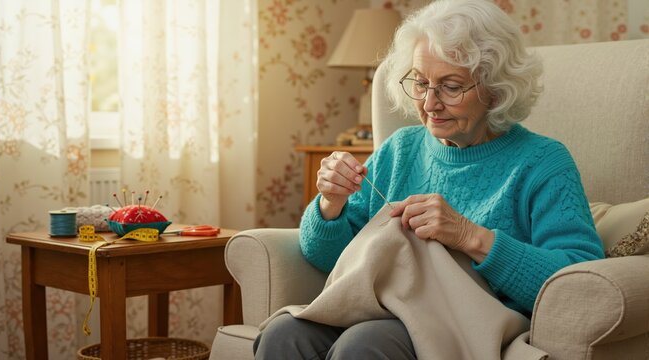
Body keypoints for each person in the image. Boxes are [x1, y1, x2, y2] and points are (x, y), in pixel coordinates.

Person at [254, 0, 605, 358]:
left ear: (496, 89)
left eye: (451, 87)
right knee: (284, 333)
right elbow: (325, 257)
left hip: (471, 323)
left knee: (365, 343)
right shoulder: (401, 149)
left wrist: (470, 236)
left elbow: (580, 284)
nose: (430, 103)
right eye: (421, 83)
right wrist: (332, 202)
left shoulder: (543, 162)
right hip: (381, 311)